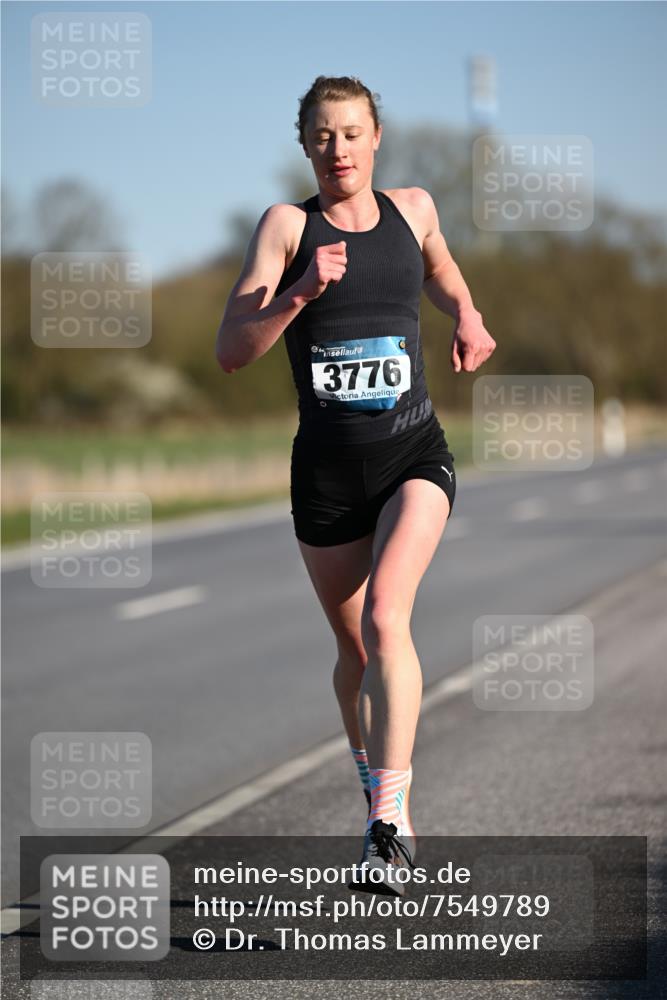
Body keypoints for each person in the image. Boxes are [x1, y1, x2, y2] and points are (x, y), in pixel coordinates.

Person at [216, 75, 496, 895]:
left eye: (350, 133)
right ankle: (376, 793)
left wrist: (467, 317)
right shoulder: (285, 226)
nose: (336, 149)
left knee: (385, 618)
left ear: (375, 137)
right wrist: (300, 291)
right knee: (353, 652)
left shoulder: (413, 209)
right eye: (322, 136)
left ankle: (390, 820)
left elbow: (443, 270)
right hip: (327, 474)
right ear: (305, 145)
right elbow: (232, 348)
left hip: (413, 454)